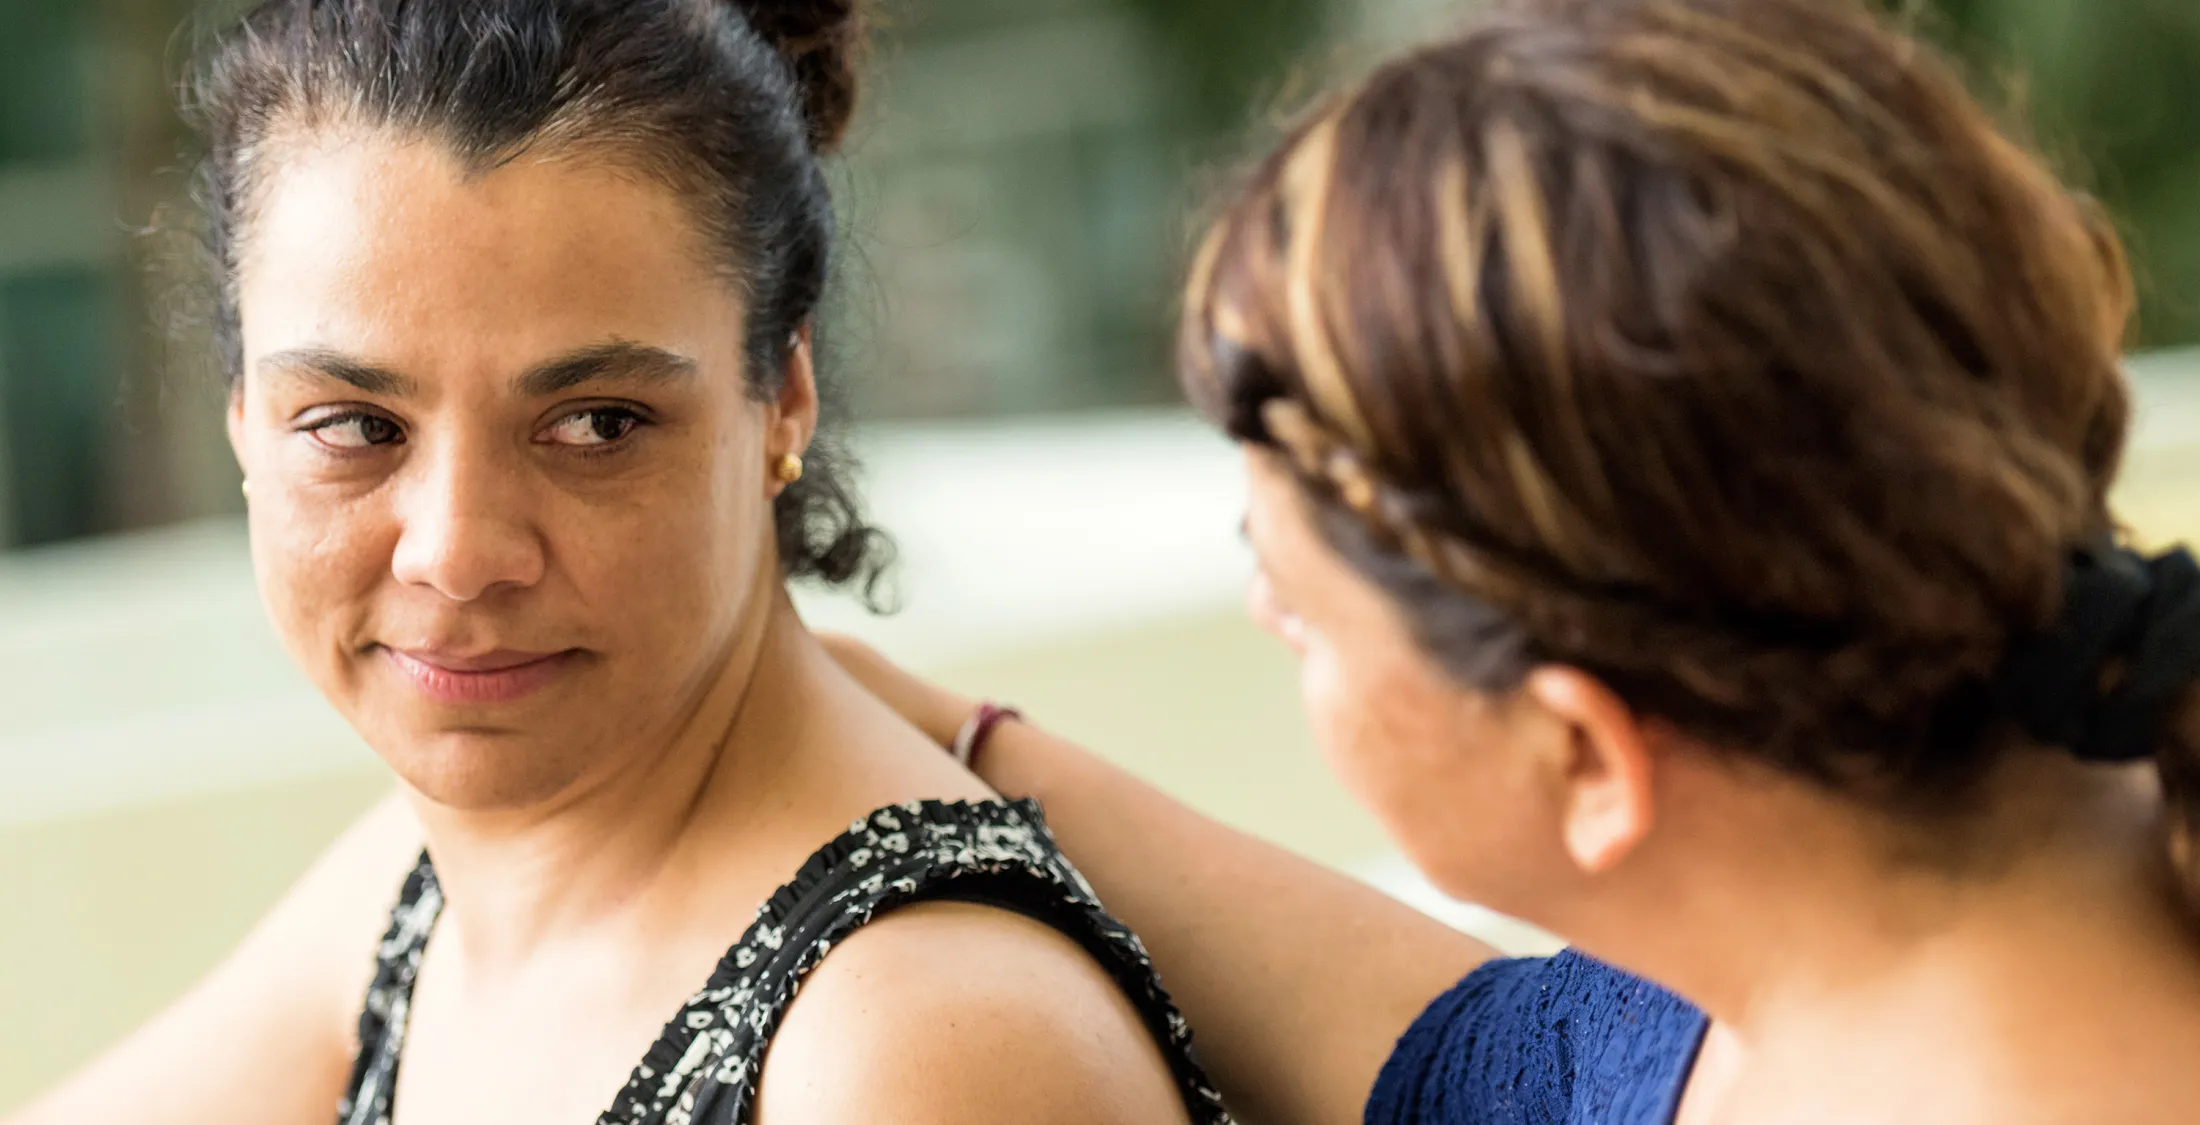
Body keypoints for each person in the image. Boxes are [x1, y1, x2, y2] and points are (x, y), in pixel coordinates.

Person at [830, 0, 2200, 1121]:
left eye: (1301, 608)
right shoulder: (1903, 899)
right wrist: (940, 733)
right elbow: (1481, 1063)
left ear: (1588, 756)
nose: (1264, 611)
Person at [6, 3, 1227, 1124]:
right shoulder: (436, 884)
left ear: (782, 398)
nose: (458, 554)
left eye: (596, 423)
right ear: (240, 423)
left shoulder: (913, 1047)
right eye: (354, 427)